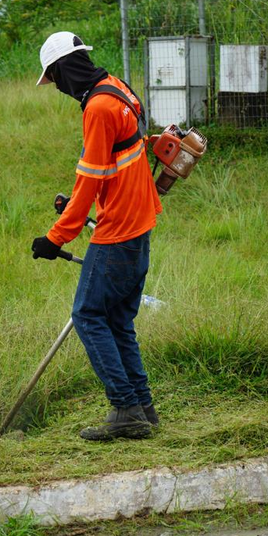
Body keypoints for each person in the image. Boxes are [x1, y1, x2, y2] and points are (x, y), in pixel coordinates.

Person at [30, 31, 163, 441]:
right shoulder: (118, 89)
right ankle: (143, 408)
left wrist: (56, 238)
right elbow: (113, 168)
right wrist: (77, 204)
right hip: (139, 220)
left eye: (54, 79)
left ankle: (126, 409)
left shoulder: (99, 108)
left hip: (118, 230)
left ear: (62, 70)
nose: (58, 89)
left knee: (88, 316)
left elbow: (88, 179)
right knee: (119, 320)